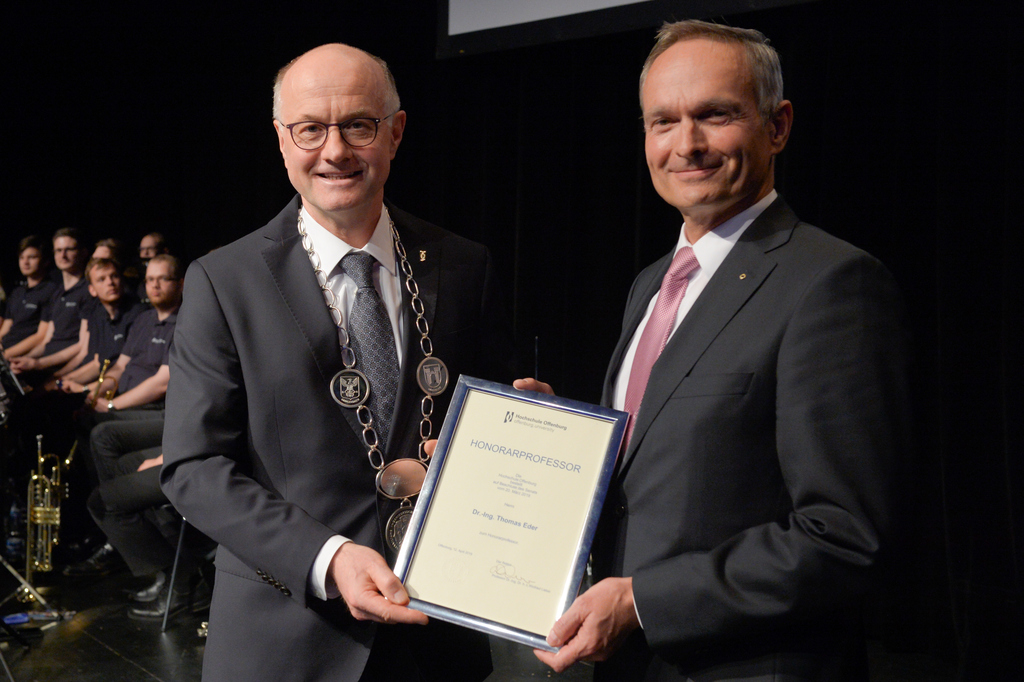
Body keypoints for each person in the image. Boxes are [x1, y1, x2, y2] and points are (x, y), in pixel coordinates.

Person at [516, 20, 910, 681]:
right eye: (663, 122)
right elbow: (662, 470)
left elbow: (845, 534)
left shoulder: (832, 284)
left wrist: (643, 603)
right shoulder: (652, 284)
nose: (686, 144)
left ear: (778, 126)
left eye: (715, 115)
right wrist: (557, 442)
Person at [161, 43, 508, 681]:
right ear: (281, 139)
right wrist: (328, 557)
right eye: (310, 129)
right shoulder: (223, 281)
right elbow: (194, 467)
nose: (335, 150)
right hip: (286, 641)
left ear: (395, 133)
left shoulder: (463, 266)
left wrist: (520, 429)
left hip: (437, 641)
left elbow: (481, 425)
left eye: (358, 125)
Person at [4, 228, 89, 361]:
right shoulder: (56, 293)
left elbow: (42, 337)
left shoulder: (83, 290)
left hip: (57, 363)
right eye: (58, 250)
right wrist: (25, 360)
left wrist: (34, 363)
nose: (63, 255)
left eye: (69, 249)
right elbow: (46, 341)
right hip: (34, 359)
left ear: (83, 253)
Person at [1, 236, 58, 353]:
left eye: (32, 257)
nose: (25, 262)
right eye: (22, 258)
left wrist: (6, 355)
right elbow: (6, 327)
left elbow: (40, 336)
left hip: (22, 355)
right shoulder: (17, 292)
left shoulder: (51, 291)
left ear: (46, 261)